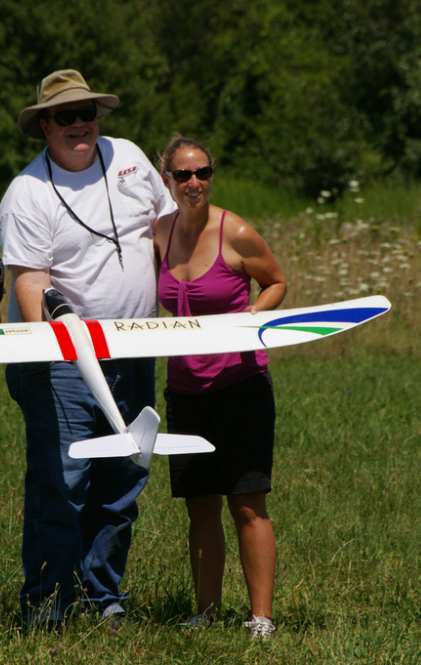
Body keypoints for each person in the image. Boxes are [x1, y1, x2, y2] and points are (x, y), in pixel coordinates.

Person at [0, 70, 176, 626]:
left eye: (87, 114)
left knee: (124, 476)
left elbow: (167, 233)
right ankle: (47, 605)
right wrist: (48, 357)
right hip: (65, 360)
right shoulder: (27, 192)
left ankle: (105, 598)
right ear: (45, 126)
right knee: (63, 481)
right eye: (65, 117)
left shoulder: (128, 156)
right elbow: (30, 282)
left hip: (137, 344)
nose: (80, 125)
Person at [153, 137, 287, 640]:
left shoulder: (237, 232)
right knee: (200, 503)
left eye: (203, 174)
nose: (194, 184)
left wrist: (256, 313)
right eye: (184, 175)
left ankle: (261, 617)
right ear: (167, 179)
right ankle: (205, 609)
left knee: (247, 501)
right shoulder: (159, 233)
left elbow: (275, 281)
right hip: (184, 388)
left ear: (212, 176)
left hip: (240, 383)